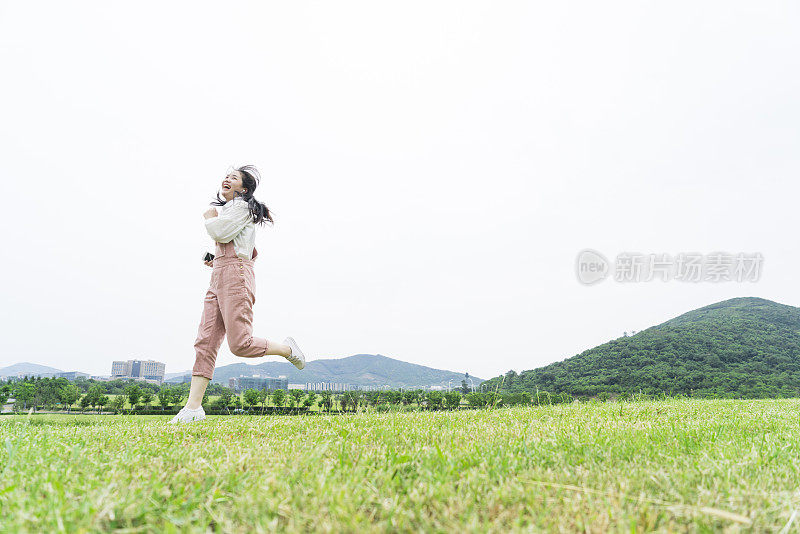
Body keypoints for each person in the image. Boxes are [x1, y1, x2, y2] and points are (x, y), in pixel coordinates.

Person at [170, 165, 306, 424]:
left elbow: (220, 231)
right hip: (220, 275)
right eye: (226, 176)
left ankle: (288, 349)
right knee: (205, 341)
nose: (226, 179)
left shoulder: (242, 207)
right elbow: (244, 246)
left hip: (236, 276)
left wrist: (210, 217)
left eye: (233, 178)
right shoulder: (231, 211)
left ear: (243, 189)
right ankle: (193, 409)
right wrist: (217, 259)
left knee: (240, 344)